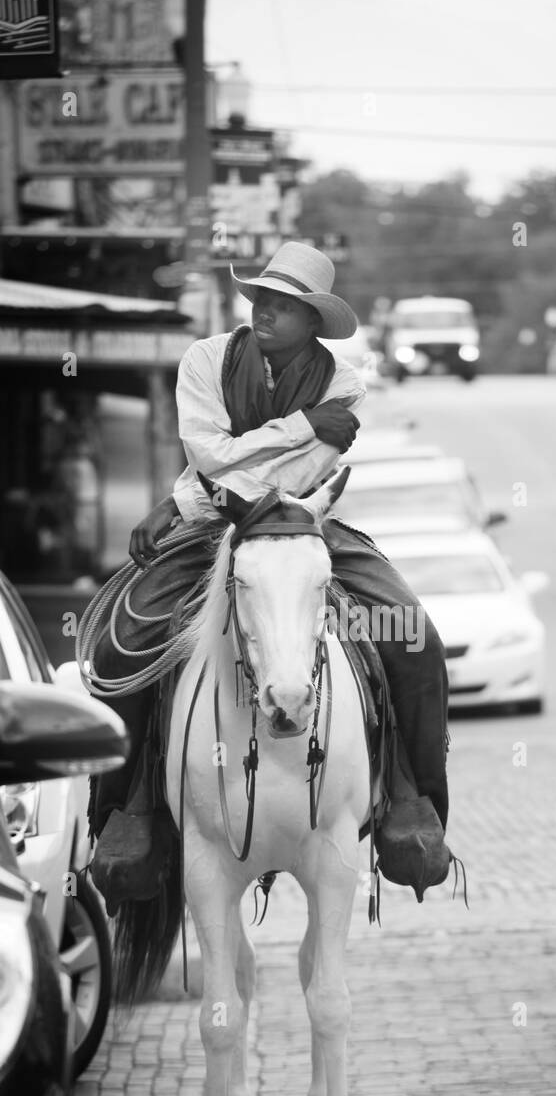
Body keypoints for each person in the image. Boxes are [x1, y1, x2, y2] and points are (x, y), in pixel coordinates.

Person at [90, 242, 450, 906]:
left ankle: (411, 799)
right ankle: (122, 812)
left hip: (305, 522)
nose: (266, 312)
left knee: (415, 636)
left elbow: (288, 476)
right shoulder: (204, 359)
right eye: (262, 298)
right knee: (122, 640)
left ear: (315, 322)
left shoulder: (345, 384)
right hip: (205, 524)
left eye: (285, 305)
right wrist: (299, 426)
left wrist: (192, 493)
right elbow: (208, 453)